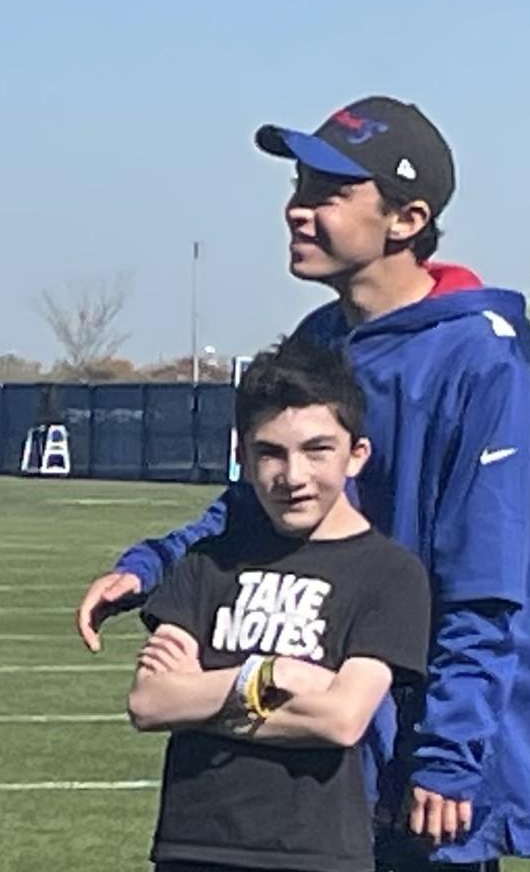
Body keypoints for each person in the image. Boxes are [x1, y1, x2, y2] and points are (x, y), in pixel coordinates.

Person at [78, 96, 530, 869]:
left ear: (406, 220)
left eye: (327, 193)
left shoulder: (480, 356)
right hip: (317, 753)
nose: (296, 211)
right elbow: (248, 508)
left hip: (421, 754)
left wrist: (447, 756)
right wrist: (152, 565)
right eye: (298, 187)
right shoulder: (318, 339)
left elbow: (487, 584)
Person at [129, 336, 431, 872]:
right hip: (193, 846)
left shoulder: (391, 574)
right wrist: (278, 674)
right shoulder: (208, 562)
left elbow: (341, 719)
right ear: (242, 457)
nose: (292, 476)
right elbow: (151, 703)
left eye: (317, 450)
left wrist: (203, 697)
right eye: (270, 452)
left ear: (356, 454)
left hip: (316, 852)